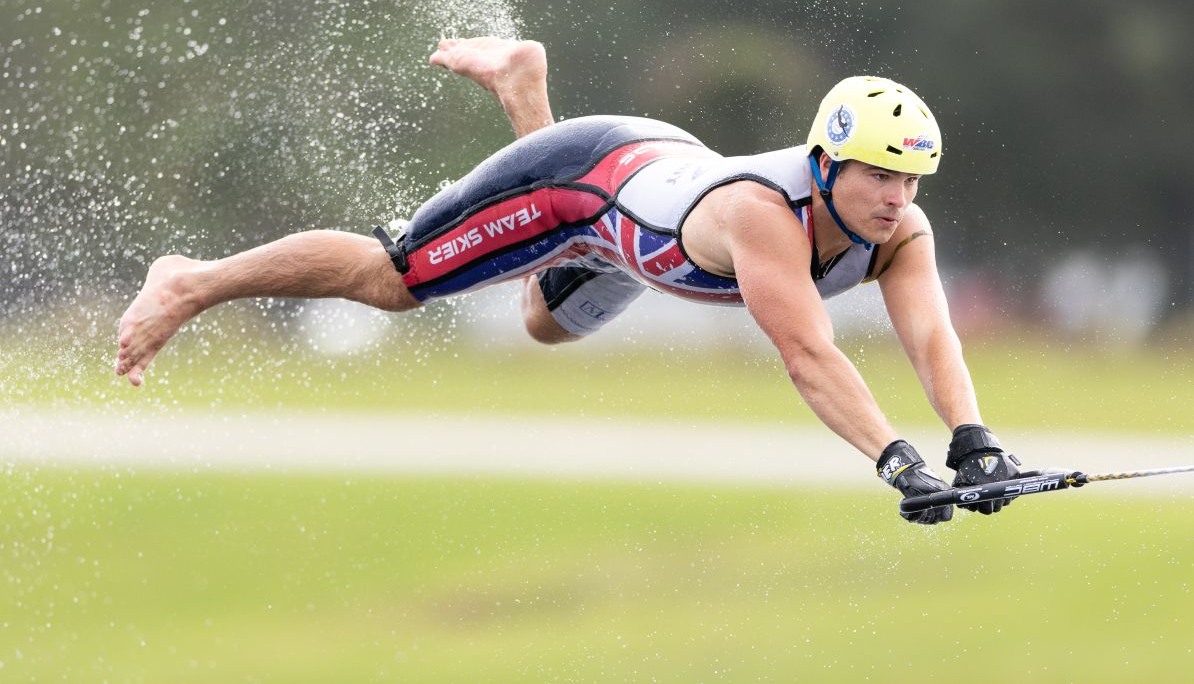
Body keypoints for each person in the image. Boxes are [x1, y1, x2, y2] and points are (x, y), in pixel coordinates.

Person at [115, 37, 1023, 524]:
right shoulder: (762, 215)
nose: (895, 199)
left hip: (637, 223)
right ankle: (191, 280)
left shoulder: (901, 232)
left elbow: (932, 338)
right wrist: (898, 463)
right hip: (579, 180)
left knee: (543, 325)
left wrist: (973, 439)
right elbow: (806, 353)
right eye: (876, 175)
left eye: (909, 181)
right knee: (391, 281)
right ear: (826, 163)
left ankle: (520, 80)